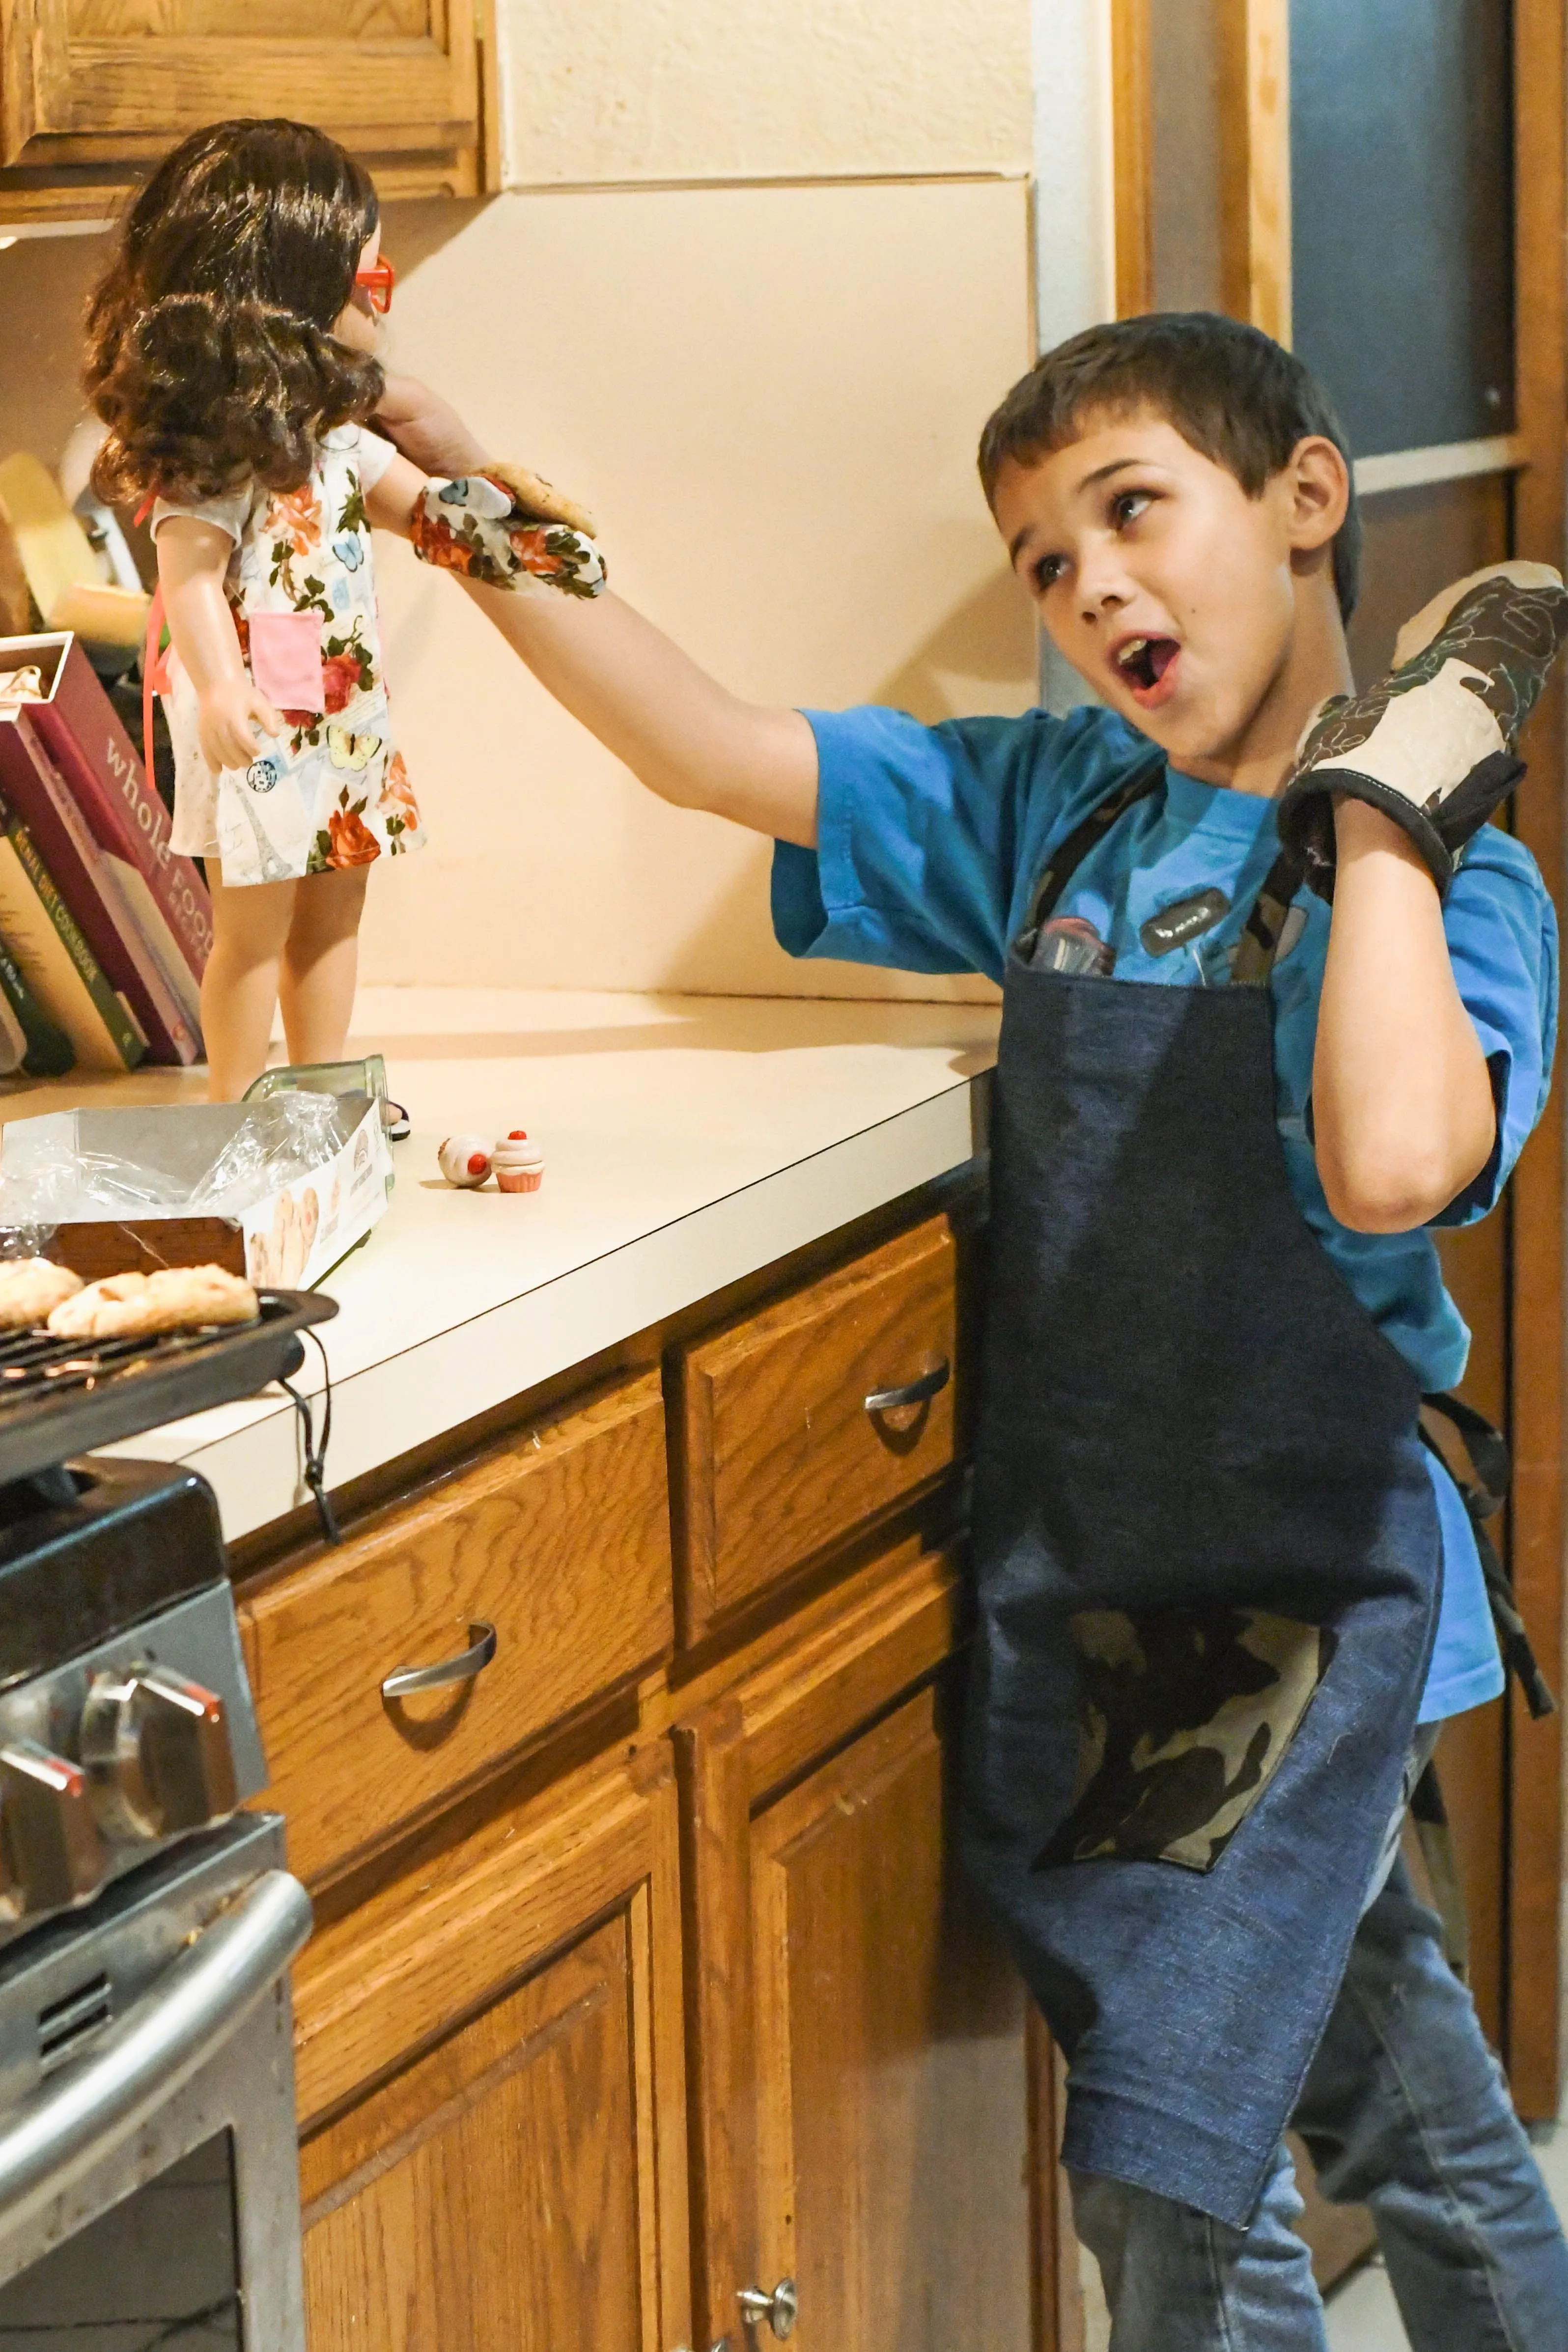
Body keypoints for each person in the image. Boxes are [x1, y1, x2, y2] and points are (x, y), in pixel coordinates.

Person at [375, 312, 1568, 2349]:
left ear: (1304, 499)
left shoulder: (1463, 893)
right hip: (1097, 1578)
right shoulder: (1065, 817)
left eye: (1131, 510)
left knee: (1170, 2164)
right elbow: (708, 745)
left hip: (1307, 1602)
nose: (1087, 581)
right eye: (1038, 557)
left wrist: (1383, 810)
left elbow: (1392, 1164)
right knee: (1404, 2113)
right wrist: (450, 504)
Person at [82, 117, 606, 1100]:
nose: (382, 295)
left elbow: (428, 516)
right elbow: (187, 579)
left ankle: (321, 1095)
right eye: (372, 276)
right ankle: (235, 1107)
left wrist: (520, 523)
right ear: (295, 283)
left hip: (342, 707)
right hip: (266, 716)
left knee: (336, 910)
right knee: (252, 926)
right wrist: (224, 688)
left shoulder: (339, 441)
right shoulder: (218, 456)